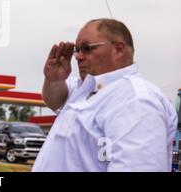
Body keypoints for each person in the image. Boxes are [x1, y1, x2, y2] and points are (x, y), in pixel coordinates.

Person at [33, 18, 178, 172]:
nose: (78, 56)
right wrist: (53, 79)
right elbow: (54, 101)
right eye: (77, 49)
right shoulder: (87, 87)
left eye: (87, 48)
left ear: (118, 50)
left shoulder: (135, 100)